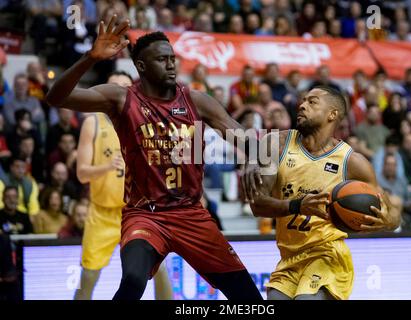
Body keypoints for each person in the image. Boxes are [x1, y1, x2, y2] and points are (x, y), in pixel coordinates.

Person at [46, 17, 262, 300]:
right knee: (134, 280)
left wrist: (256, 158)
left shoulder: (196, 101)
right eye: (162, 59)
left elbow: (244, 137)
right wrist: (90, 58)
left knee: (248, 297)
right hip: (145, 216)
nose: (171, 64)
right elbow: (56, 97)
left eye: (172, 58)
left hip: (191, 214)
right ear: (141, 67)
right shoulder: (121, 99)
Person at [249, 86, 401, 300]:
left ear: (332, 114)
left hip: (329, 255)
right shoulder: (276, 144)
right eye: (303, 101)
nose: (302, 105)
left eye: (312, 102)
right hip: (289, 258)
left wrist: (387, 221)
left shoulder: (352, 162)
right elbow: (257, 204)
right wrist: (298, 205)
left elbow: (392, 213)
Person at [74, 70, 173, 300]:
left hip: (139, 212)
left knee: (160, 270)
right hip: (103, 214)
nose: (118, 90)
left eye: (124, 86)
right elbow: (81, 174)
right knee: (89, 275)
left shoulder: (148, 125)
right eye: (113, 85)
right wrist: (106, 167)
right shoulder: (93, 123)